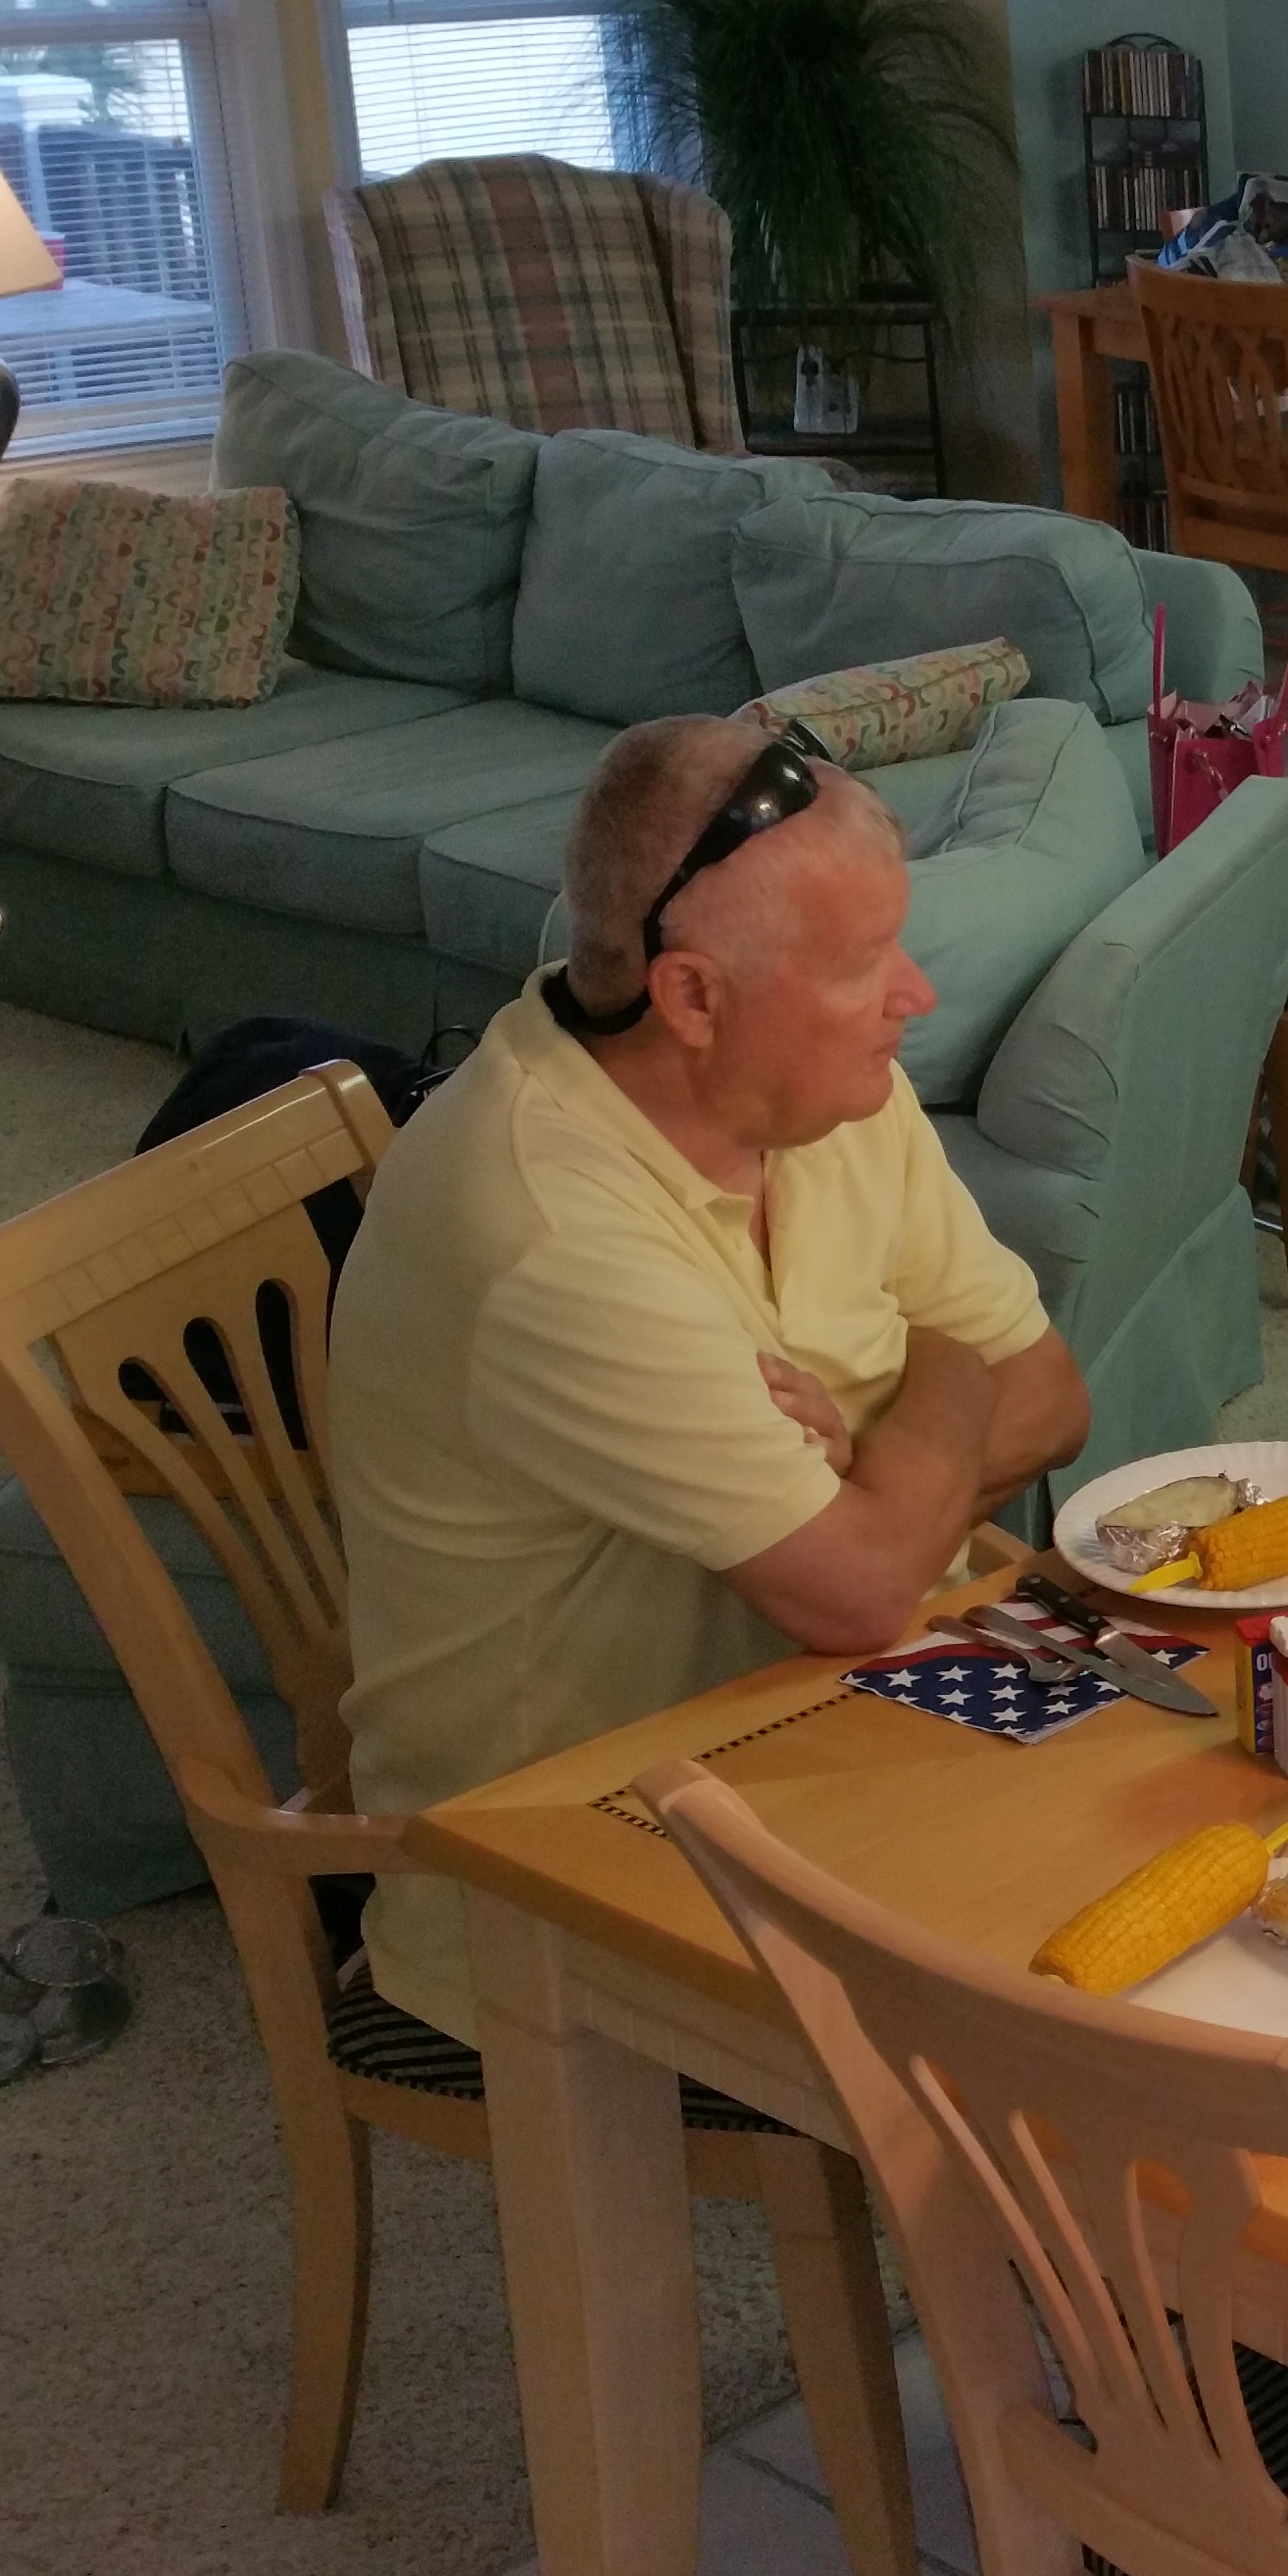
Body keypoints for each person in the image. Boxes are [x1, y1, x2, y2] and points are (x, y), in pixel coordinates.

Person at [332, 716, 1092, 2037]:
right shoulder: (549, 1229)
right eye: (861, 965)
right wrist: (944, 1376)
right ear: (690, 998)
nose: (915, 995)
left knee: (1265, 1826)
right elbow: (860, 1590)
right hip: (580, 1878)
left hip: (836, 1733)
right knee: (1114, 2054)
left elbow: (1057, 1402)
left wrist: (871, 1464)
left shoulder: (823, 1098)